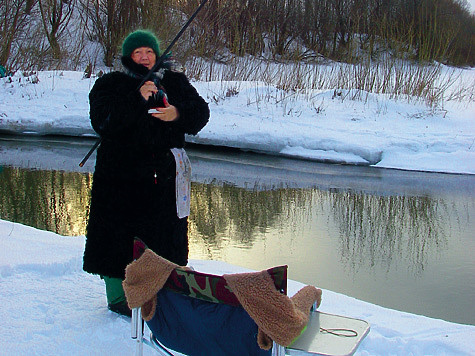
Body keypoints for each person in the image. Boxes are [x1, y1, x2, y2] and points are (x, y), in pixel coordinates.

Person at [83, 29, 210, 316]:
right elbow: (103, 122)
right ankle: (120, 299)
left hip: (164, 180)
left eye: (149, 52)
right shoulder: (111, 84)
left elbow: (200, 113)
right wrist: (136, 98)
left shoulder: (175, 82)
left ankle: (162, 295)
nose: (144, 57)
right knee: (118, 242)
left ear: (157, 55)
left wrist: (175, 113)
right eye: (138, 52)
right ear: (128, 57)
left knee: (164, 240)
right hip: (119, 182)